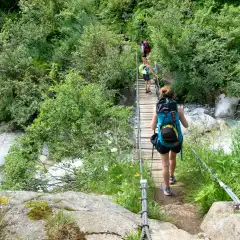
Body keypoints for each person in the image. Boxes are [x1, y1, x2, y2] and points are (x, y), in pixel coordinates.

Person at [151, 86, 188, 196]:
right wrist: (180, 115)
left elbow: (152, 126)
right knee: (173, 158)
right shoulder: (179, 109)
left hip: (163, 141)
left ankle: (167, 189)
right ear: (173, 96)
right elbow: (186, 125)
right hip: (177, 140)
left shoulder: (157, 109)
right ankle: (172, 177)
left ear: (161, 95)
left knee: (164, 164)